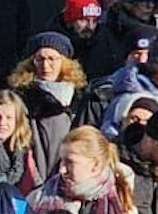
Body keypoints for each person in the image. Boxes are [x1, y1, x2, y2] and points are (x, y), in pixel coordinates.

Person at [9, 31, 99, 182]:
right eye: (40, 59)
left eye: (52, 59)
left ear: (64, 62)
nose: (46, 65)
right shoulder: (23, 97)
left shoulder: (80, 97)